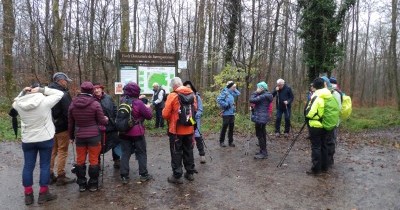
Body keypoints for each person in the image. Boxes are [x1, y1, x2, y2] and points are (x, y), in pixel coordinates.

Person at [13, 84, 63, 205]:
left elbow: (15, 101)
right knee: (44, 165)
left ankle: (28, 195)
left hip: (28, 140)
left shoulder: (18, 105)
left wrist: (23, 92)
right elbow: (60, 94)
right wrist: (42, 89)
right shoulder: (45, 101)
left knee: (28, 166)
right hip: (45, 138)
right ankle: (43, 194)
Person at [68, 81, 109, 192]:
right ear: (91, 91)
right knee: (94, 160)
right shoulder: (95, 104)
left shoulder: (73, 104)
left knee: (80, 160)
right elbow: (102, 121)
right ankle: (93, 184)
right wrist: (105, 119)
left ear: (81, 90)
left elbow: (70, 123)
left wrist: (71, 136)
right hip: (94, 136)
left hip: (80, 136)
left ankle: (82, 184)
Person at [162, 77, 197, 184]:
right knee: (188, 150)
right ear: (181, 84)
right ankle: (190, 173)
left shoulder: (172, 95)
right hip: (189, 129)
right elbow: (194, 109)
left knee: (176, 152)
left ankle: (177, 176)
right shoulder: (192, 94)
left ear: (173, 86)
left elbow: (165, 114)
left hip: (176, 130)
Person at [119, 82, 153, 184]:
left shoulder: (122, 100)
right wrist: (148, 107)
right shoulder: (138, 103)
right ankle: (143, 175)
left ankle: (124, 176)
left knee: (125, 153)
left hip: (124, 132)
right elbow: (149, 116)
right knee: (141, 153)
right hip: (137, 132)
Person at [49, 72, 75, 186]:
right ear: (60, 80)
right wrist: (72, 128)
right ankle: (61, 176)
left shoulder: (46, 92)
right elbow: (68, 112)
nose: (66, 83)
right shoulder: (62, 94)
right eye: (65, 81)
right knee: (62, 151)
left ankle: (49, 175)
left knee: (52, 151)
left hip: (49, 127)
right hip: (62, 127)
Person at [304, 78, 332, 175]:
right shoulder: (328, 95)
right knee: (324, 145)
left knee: (316, 147)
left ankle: (316, 169)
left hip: (315, 125)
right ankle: (325, 166)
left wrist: (307, 114)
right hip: (325, 124)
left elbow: (311, 113)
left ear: (315, 86)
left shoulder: (317, 96)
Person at [93, 83, 121, 169]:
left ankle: (117, 160)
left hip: (111, 126)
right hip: (98, 128)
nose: (97, 90)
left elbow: (115, 108)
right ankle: (97, 162)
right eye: (95, 89)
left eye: (98, 88)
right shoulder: (91, 100)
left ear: (101, 89)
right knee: (98, 146)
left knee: (115, 143)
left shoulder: (108, 98)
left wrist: (116, 119)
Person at [183, 81, 206, 163]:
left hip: (195, 119)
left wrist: (196, 116)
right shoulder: (182, 97)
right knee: (189, 136)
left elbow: (200, 109)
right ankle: (190, 156)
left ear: (192, 88)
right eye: (186, 87)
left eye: (189, 87)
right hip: (187, 119)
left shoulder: (196, 96)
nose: (188, 89)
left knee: (197, 135)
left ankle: (202, 154)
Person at [322, 76, 342, 168]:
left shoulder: (335, 93)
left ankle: (329, 160)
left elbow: (337, 108)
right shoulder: (336, 92)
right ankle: (327, 160)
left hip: (332, 121)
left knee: (330, 141)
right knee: (330, 140)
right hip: (333, 121)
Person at [249, 82, 273, 159]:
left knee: (260, 135)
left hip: (260, 118)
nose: (257, 89)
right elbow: (259, 105)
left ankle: (264, 153)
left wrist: (256, 92)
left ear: (262, 88)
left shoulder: (264, 96)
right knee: (262, 134)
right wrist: (253, 109)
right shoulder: (266, 95)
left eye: (258, 88)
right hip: (261, 117)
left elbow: (251, 100)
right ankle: (262, 150)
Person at [217, 81, 241, 147]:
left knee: (231, 128)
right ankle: (221, 142)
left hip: (232, 113)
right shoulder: (224, 92)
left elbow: (238, 93)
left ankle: (231, 142)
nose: (235, 88)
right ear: (230, 87)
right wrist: (226, 105)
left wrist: (234, 87)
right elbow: (219, 100)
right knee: (224, 127)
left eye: (235, 87)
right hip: (226, 113)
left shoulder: (232, 92)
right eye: (234, 87)